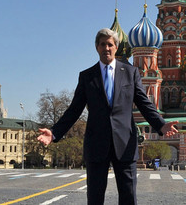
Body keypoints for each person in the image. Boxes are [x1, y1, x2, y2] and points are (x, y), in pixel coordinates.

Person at [37, 28, 178, 205]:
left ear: (116, 47)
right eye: (102, 44)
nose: (106, 48)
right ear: (97, 47)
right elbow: (74, 109)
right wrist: (54, 132)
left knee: (128, 197)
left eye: (110, 44)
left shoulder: (131, 73)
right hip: (96, 144)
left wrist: (161, 124)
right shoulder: (87, 76)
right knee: (95, 198)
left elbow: (144, 103)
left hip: (125, 143)